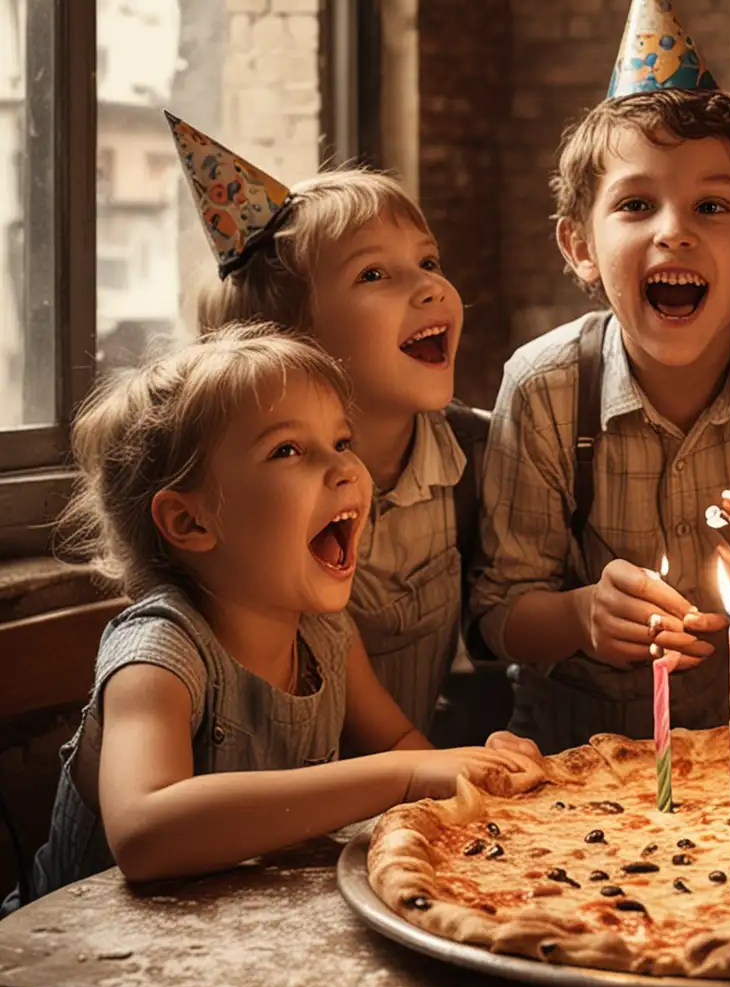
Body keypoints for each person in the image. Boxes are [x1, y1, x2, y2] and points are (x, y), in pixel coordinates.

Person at [4, 325, 534, 909]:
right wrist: (401, 775)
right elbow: (144, 832)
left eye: (341, 441)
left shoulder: (326, 633)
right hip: (80, 965)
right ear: (190, 522)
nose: (344, 470)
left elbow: (403, 745)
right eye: (288, 450)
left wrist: (475, 773)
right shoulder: (159, 652)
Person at [469, 0, 730, 750]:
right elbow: (500, 615)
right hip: (577, 763)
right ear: (579, 245)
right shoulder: (543, 389)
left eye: (711, 206)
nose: (673, 231)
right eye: (637, 205)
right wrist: (579, 615)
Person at [175, 114, 485, 738]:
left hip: (398, 794)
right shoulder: (252, 510)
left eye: (429, 260)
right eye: (374, 274)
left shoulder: (479, 453)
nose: (429, 287)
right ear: (294, 343)